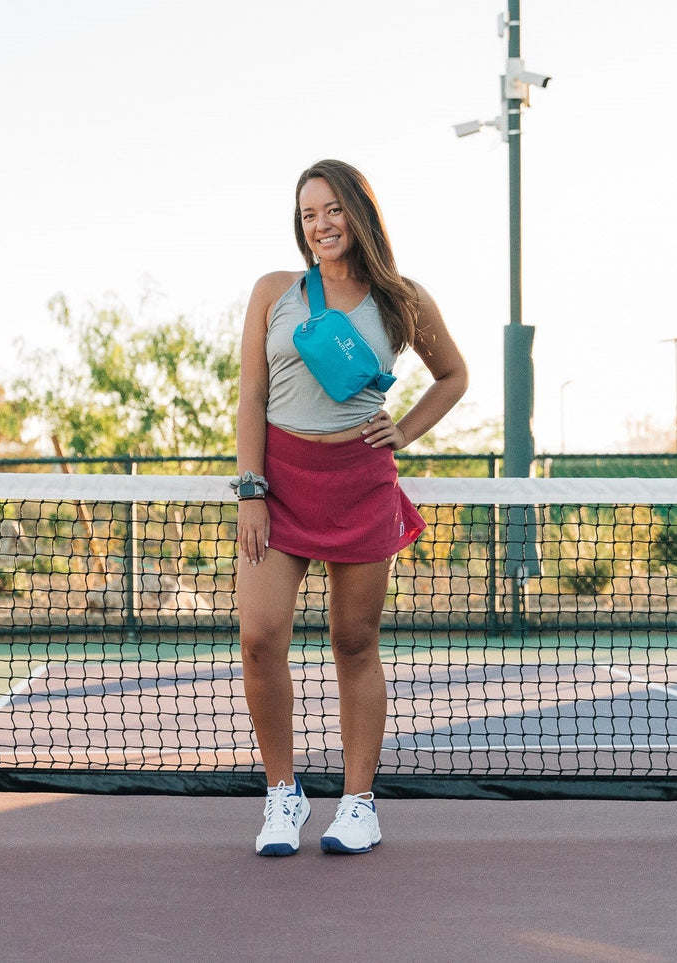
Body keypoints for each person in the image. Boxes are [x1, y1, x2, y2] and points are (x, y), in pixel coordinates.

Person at [235, 159, 468, 855]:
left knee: (353, 641)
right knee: (259, 637)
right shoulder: (273, 291)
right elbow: (250, 395)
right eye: (308, 213)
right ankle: (283, 795)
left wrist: (407, 428)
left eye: (332, 209)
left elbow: (453, 375)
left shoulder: (401, 299)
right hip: (279, 485)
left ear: (359, 213)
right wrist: (250, 488)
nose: (320, 224)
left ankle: (358, 802)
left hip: (360, 482)